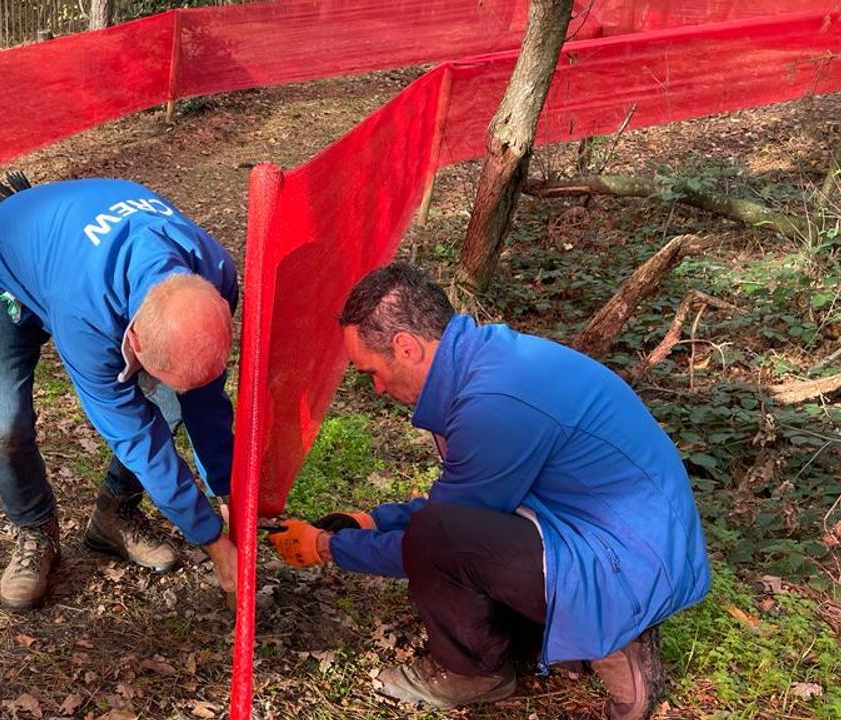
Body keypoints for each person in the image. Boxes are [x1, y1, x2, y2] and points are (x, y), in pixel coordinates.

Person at [266, 263, 710, 720]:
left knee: (435, 538)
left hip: (624, 563)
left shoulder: (493, 405)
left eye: (372, 372)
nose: (377, 388)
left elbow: (439, 535)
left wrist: (327, 547)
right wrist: (372, 521)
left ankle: (478, 672)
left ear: (406, 347)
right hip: (618, 540)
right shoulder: (487, 365)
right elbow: (467, 501)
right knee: (444, 529)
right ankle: (580, 631)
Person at [0, 173, 238, 610]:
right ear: (132, 342)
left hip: (68, 243)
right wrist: (213, 540)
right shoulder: (86, 321)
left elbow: (205, 398)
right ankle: (35, 530)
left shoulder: (216, 274)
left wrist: (229, 491)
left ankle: (114, 516)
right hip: (6, 265)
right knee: (4, 424)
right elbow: (135, 436)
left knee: (168, 406)